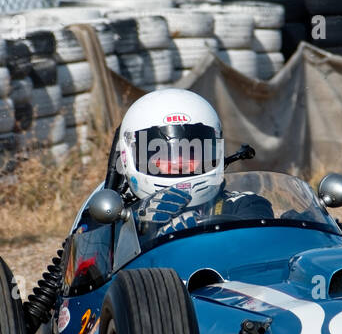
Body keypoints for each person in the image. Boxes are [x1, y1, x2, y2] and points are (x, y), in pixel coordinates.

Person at [112, 88, 273, 231]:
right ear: (128, 155)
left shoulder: (245, 205)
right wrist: (145, 232)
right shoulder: (118, 217)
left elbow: (257, 245)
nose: (178, 162)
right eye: (161, 153)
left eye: (191, 151)